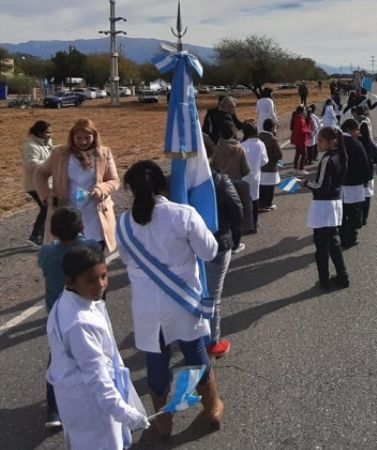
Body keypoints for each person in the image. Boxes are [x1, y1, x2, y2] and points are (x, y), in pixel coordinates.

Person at [116, 161, 223, 440]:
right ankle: (211, 408)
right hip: (183, 301)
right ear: (162, 184)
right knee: (194, 353)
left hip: (147, 306)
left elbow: (127, 260)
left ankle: (163, 422)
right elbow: (209, 251)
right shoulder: (183, 214)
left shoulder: (124, 223)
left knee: (157, 361)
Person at [47, 245, 150, 449]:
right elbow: (97, 378)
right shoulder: (80, 323)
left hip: (75, 397)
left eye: (104, 275)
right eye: (91, 280)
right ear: (70, 280)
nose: (101, 284)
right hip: (92, 405)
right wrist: (125, 413)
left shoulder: (67, 302)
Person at [38, 207, 102, 430]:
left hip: (57, 312)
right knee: (95, 353)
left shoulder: (46, 253)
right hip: (87, 308)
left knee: (57, 356)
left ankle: (53, 409)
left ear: (53, 231)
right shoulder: (91, 246)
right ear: (82, 227)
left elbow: (45, 263)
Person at [34, 118, 120, 252]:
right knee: (69, 263)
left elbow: (115, 180)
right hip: (67, 217)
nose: (83, 142)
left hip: (95, 216)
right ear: (72, 137)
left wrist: (101, 189)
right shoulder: (60, 153)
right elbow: (40, 173)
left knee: (93, 261)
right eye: (78, 138)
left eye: (87, 138)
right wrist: (47, 196)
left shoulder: (104, 153)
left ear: (95, 136)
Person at [205, 168, 243, 358]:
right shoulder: (219, 180)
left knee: (195, 291)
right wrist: (235, 236)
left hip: (187, 247)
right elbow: (237, 210)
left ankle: (194, 337)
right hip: (218, 242)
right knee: (213, 295)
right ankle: (213, 341)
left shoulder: (178, 180)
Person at [305, 127, 349, 290]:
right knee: (334, 241)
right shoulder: (342, 154)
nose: (318, 144)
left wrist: (305, 183)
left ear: (332, 141)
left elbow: (321, 185)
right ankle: (343, 276)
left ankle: (324, 280)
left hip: (323, 204)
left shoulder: (327, 159)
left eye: (321, 141)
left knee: (321, 245)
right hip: (336, 201)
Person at [211, 120, 251, 249]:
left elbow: (213, 166)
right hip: (236, 183)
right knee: (237, 213)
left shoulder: (217, 149)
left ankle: (225, 240)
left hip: (221, 183)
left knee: (223, 214)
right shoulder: (239, 149)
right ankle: (236, 243)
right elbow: (246, 169)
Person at [339, 119, 371, 248]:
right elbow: (365, 164)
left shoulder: (336, 143)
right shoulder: (356, 144)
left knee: (341, 212)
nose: (356, 133)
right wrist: (365, 180)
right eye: (355, 130)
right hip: (354, 185)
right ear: (348, 130)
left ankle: (341, 235)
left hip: (340, 185)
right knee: (353, 212)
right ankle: (351, 237)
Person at [22, 120, 54, 247]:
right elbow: (32, 164)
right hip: (34, 185)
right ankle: (35, 236)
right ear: (39, 132)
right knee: (47, 208)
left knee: (49, 208)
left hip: (44, 183)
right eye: (47, 132)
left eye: (50, 132)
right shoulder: (31, 146)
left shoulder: (45, 142)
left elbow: (53, 152)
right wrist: (51, 163)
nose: (50, 135)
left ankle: (42, 234)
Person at [354, 108, 377, 226]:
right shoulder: (370, 144)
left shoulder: (357, 143)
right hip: (368, 173)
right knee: (367, 195)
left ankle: (358, 218)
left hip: (358, 173)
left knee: (359, 196)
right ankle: (364, 218)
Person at [240, 122, 268, 233]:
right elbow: (265, 160)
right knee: (255, 199)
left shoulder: (242, 145)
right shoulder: (260, 144)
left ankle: (246, 225)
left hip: (244, 176)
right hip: (256, 176)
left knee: (245, 201)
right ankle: (254, 223)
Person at [258, 118, 283, 212]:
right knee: (270, 187)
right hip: (271, 166)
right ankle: (268, 204)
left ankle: (261, 203)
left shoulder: (258, 136)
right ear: (273, 127)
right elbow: (279, 155)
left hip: (260, 166)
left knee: (261, 186)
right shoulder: (273, 139)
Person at [290, 105, 311, 175]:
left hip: (296, 139)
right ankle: (301, 169)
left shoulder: (295, 118)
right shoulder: (301, 120)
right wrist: (308, 131)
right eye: (304, 110)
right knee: (304, 154)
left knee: (298, 153)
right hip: (301, 139)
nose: (305, 112)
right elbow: (302, 130)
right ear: (301, 112)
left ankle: (295, 168)